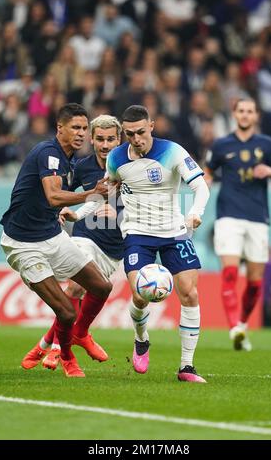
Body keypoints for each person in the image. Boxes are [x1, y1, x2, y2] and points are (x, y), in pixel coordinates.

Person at [0, 103, 113, 378]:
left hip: (51, 234)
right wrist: (91, 195)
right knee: (65, 312)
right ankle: (67, 358)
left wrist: (62, 212)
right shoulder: (49, 153)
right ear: (59, 128)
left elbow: (54, 202)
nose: (81, 133)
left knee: (101, 286)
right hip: (24, 244)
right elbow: (53, 195)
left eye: (85, 128)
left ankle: (81, 335)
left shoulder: (70, 159)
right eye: (75, 127)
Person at [107, 105, 210, 383]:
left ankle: (187, 367)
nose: (136, 138)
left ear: (152, 125)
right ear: (123, 132)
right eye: (129, 134)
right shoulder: (116, 158)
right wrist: (82, 212)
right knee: (140, 296)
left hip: (174, 231)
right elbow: (107, 189)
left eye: (141, 131)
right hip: (137, 233)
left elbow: (201, 187)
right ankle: (142, 340)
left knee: (189, 292)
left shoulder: (173, 151)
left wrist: (195, 213)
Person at [21, 114, 124, 371]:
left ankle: (46, 342)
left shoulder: (131, 167)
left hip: (114, 249)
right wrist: (63, 211)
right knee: (75, 289)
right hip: (84, 237)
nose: (105, 145)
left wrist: (120, 214)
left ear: (119, 140)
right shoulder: (82, 167)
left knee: (91, 289)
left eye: (110, 139)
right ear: (92, 139)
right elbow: (59, 192)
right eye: (99, 139)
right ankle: (60, 349)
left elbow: (151, 207)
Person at [205, 98, 271, 350]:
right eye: (241, 110)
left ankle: (242, 322)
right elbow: (208, 170)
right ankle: (234, 328)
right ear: (234, 114)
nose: (245, 115)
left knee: (254, 282)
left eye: (249, 111)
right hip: (228, 215)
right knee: (229, 273)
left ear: (256, 116)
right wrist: (203, 181)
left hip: (258, 218)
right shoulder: (221, 145)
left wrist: (270, 172)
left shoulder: (267, 145)